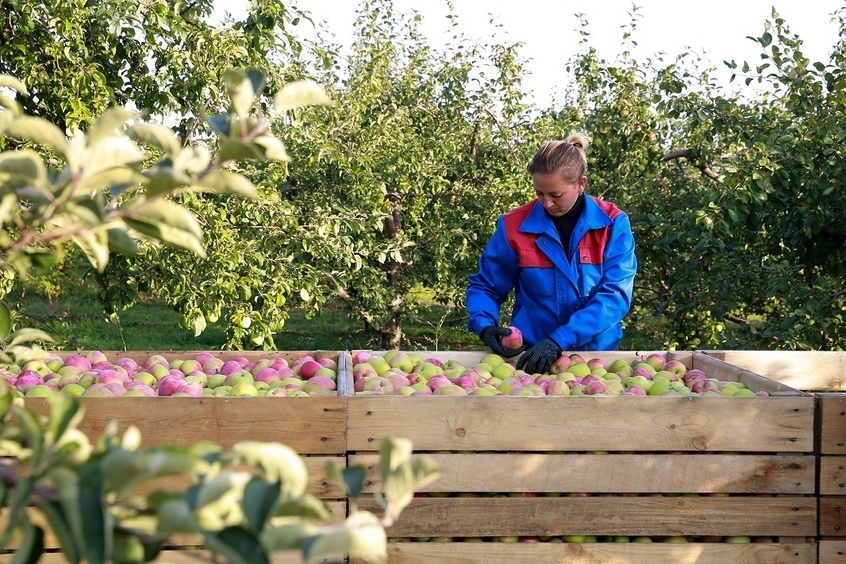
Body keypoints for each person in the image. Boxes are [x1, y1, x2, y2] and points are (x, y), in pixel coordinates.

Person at [466, 132, 637, 374]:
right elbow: (486, 286)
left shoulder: (612, 225)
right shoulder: (514, 226)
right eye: (539, 193)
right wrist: (484, 325)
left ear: (581, 184)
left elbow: (615, 295)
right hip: (532, 357)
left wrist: (560, 339)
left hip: (595, 359)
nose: (546, 203)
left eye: (555, 195)